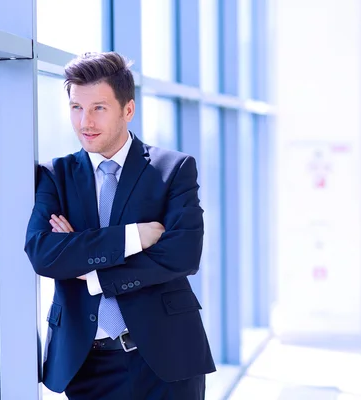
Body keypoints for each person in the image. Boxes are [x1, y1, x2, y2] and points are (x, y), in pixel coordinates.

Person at [24, 51, 215, 399]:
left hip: (167, 359)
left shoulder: (172, 169)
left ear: (128, 109)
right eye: (76, 108)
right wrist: (134, 237)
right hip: (87, 365)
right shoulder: (55, 176)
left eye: (98, 107)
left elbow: (183, 255)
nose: (85, 122)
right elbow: (44, 255)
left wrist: (90, 269)